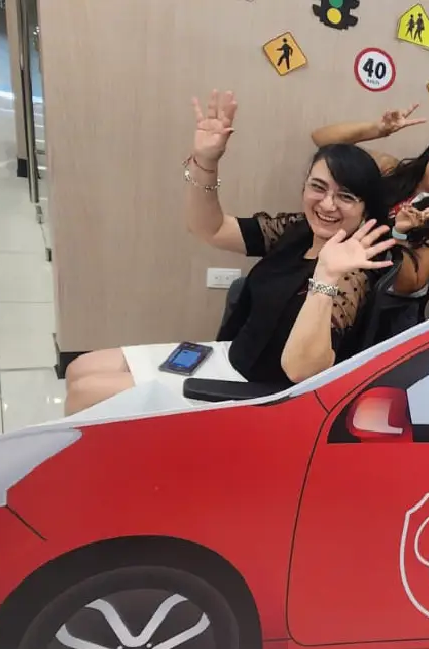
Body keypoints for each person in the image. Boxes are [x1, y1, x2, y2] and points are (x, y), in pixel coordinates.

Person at [64, 90, 395, 416]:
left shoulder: (353, 272)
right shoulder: (299, 230)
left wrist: (325, 276)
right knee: (79, 368)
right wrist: (206, 162)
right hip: (228, 356)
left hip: (252, 395)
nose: (327, 204)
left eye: (346, 196)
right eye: (318, 187)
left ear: (365, 208)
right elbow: (211, 229)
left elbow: (302, 373)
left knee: (86, 393)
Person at [311, 105, 429, 309]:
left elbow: (408, 285)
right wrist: (378, 129)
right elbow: (323, 141)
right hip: (338, 265)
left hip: (377, 302)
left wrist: (399, 235)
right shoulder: (393, 170)